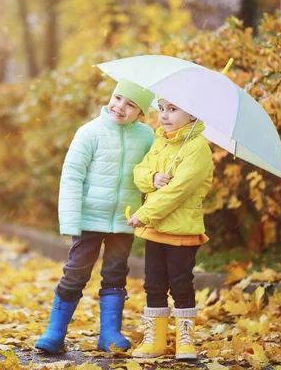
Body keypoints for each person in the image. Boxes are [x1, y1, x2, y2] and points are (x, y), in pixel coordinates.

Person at [35, 78, 155, 353]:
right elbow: (72, 176)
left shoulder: (148, 137)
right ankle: (55, 331)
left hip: (125, 222)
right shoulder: (90, 132)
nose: (120, 107)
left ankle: (110, 333)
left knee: (115, 274)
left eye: (131, 104)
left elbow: (150, 174)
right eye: (118, 98)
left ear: (141, 113)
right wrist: (70, 219)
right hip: (89, 219)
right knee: (76, 272)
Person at [127, 97, 213, 359]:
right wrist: (152, 178)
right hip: (156, 229)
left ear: (193, 114)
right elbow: (139, 171)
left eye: (172, 109)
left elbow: (179, 190)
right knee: (153, 283)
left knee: (180, 283)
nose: (164, 115)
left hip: (181, 229)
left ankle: (185, 340)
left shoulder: (198, 149)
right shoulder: (160, 141)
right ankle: (156, 339)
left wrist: (145, 214)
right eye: (161, 109)